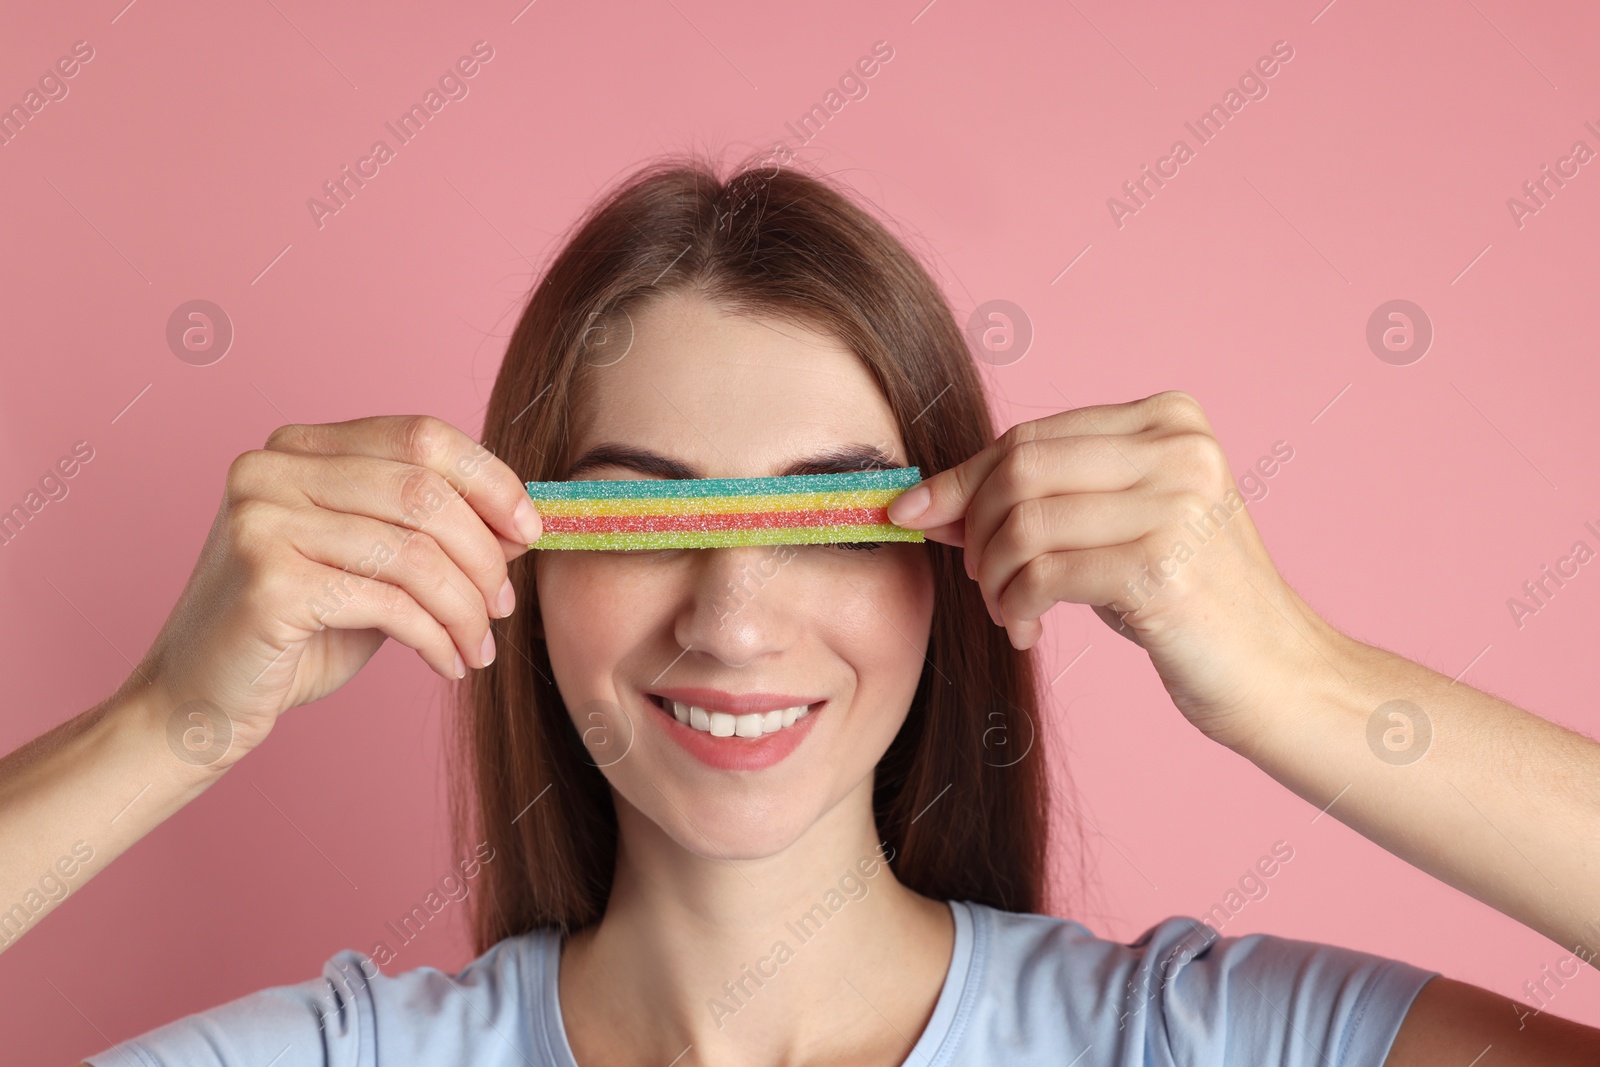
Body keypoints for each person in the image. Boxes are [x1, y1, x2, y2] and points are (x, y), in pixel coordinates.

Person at [6, 157, 1598, 1066]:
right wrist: (170, 723)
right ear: (516, 561)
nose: (737, 618)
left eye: (830, 518)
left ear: (954, 561)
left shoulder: (1194, 1043)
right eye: (637, 513)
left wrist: (1300, 685)